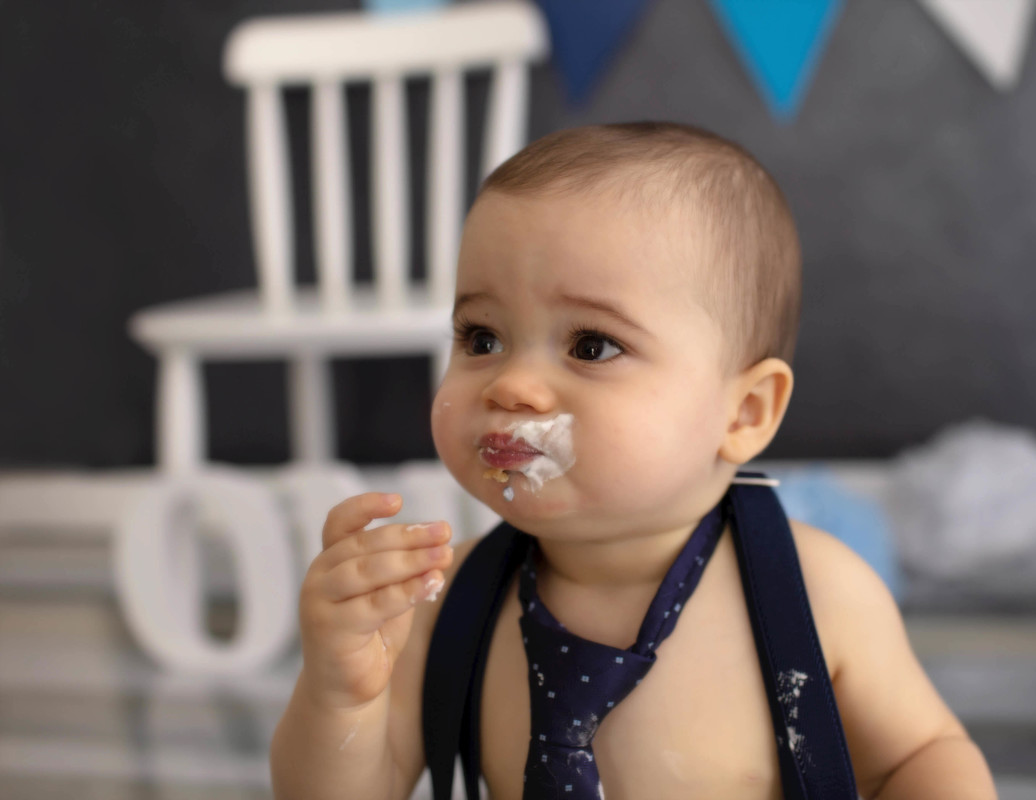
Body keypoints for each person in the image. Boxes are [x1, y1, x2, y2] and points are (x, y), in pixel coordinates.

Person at [269, 122, 998, 799]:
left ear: (743, 414)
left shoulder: (816, 597)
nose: (511, 386)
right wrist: (340, 694)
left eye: (591, 346)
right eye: (481, 337)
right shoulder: (444, 606)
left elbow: (921, 754)